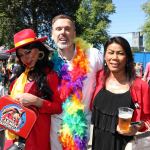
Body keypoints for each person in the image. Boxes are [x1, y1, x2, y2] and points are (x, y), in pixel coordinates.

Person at [50, 14, 103, 149]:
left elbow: (109, 80)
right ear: (52, 34)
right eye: (58, 29)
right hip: (56, 125)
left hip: (82, 123)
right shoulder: (49, 63)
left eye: (67, 29)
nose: (63, 32)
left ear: (74, 32)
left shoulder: (93, 55)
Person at [4, 28, 62, 150]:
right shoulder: (21, 75)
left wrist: (37, 101)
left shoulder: (50, 75)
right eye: (21, 55)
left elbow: (58, 107)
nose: (25, 58)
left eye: (28, 52)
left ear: (39, 49)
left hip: (37, 137)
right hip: (15, 134)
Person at [90, 36, 150, 150]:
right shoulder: (98, 78)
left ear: (127, 57)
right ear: (105, 56)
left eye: (120, 53)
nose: (114, 57)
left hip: (124, 145)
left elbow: (147, 119)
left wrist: (136, 127)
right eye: (110, 52)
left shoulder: (140, 86)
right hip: (98, 143)